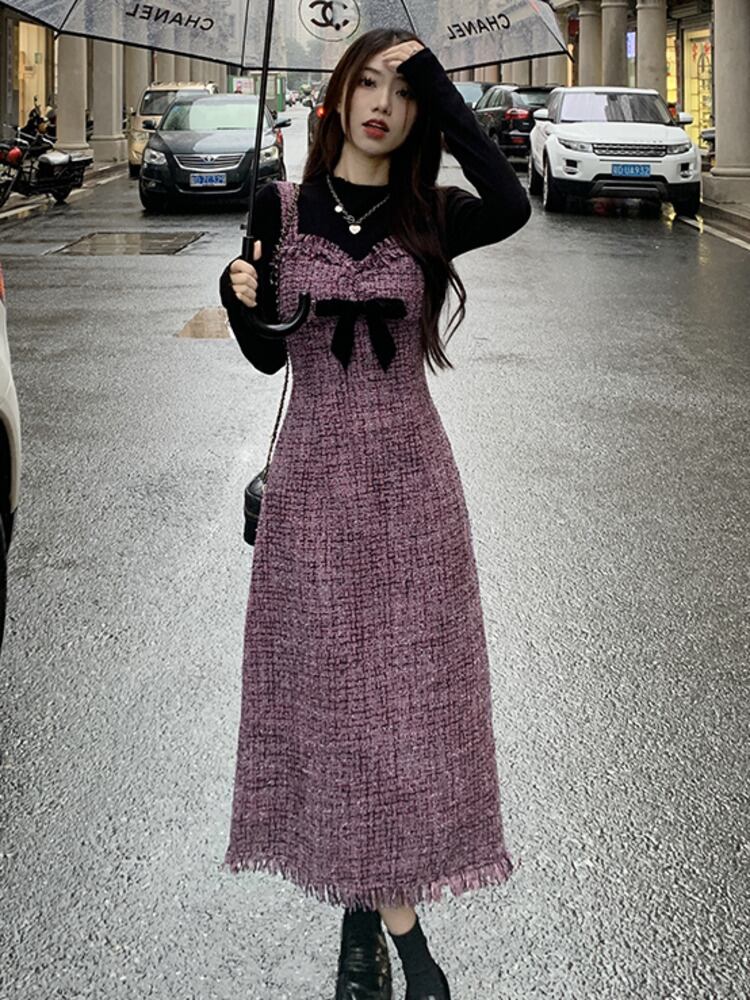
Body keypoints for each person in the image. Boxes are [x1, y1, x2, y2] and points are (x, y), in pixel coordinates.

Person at [219, 27, 531, 1000]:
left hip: (412, 491)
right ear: (338, 96)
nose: (382, 105)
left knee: (402, 709)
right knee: (338, 706)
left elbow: (513, 202)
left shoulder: (431, 214)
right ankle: (394, 936)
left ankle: (367, 931)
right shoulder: (278, 207)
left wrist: (433, 74)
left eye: (401, 92)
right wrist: (237, 296)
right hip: (313, 487)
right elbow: (267, 354)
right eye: (368, 83)